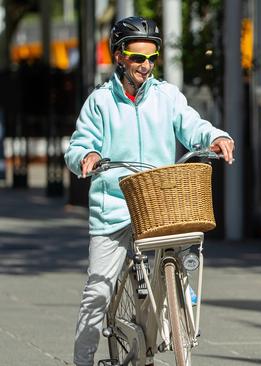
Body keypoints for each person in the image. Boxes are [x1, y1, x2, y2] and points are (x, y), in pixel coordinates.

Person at [64, 16, 234, 366]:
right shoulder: (100, 102)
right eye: (138, 57)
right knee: (97, 292)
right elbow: (77, 145)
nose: (146, 65)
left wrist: (214, 136)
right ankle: (82, 360)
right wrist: (88, 155)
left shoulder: (167, 96)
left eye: (151, 57)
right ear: (119, 57)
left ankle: (165, 326)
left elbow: (193, 125)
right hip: (113, 207)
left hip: (157, 205)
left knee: (172, 273)